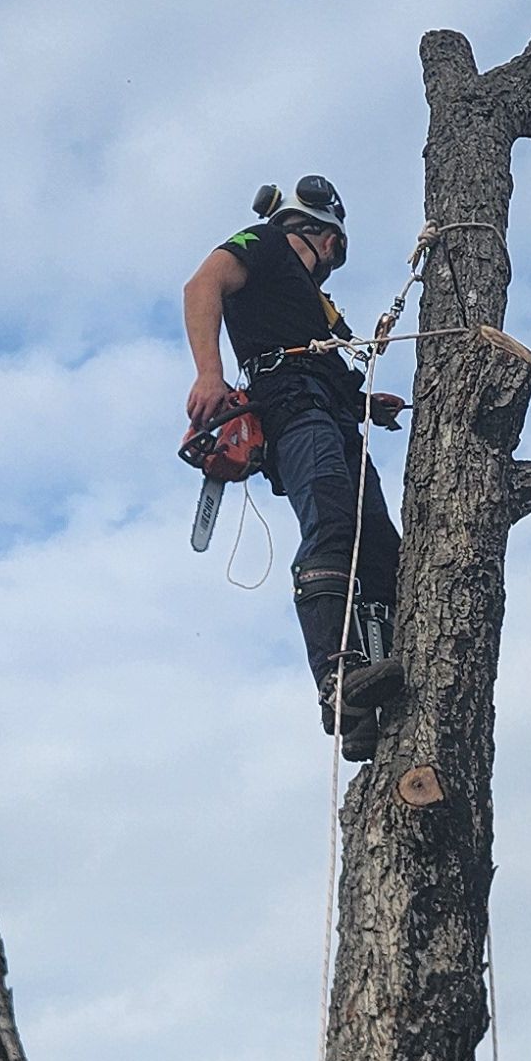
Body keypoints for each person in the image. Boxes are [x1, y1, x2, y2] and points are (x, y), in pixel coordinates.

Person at [183, 174, 407, 760]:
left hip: (332, 415)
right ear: (329, 240)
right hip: (291, 409)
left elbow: (324, 366)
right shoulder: (267, 244)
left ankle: (373, 680)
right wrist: (211, 374)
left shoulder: (322, 313)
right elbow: (202, 284)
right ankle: (338, 680)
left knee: (381, 544)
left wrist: (364, 405)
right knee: (333, 523)